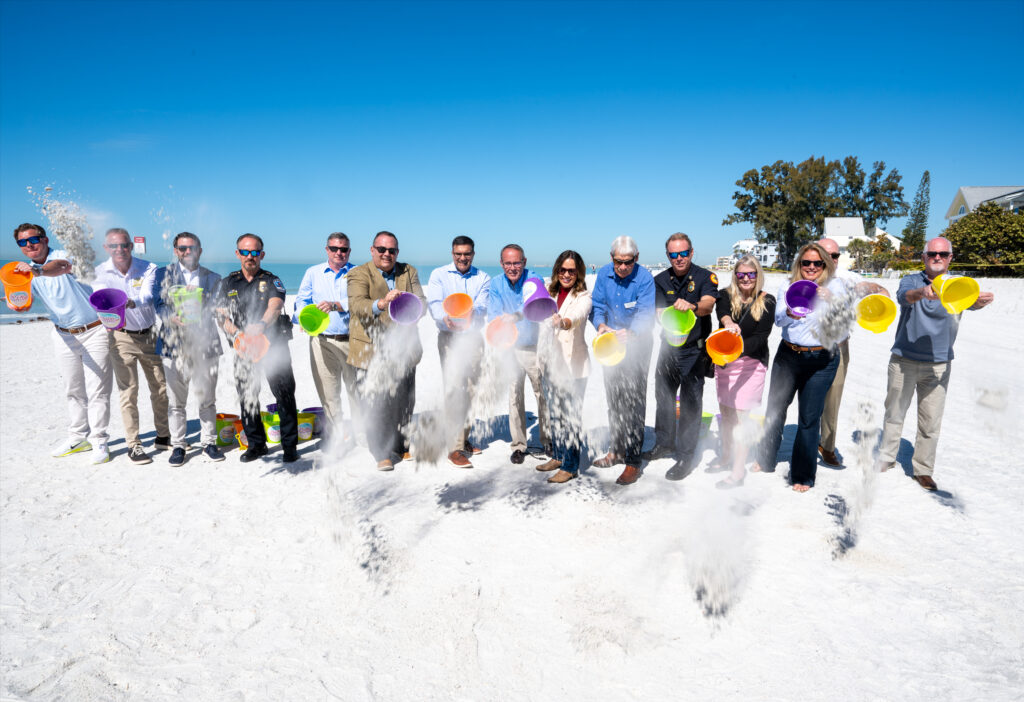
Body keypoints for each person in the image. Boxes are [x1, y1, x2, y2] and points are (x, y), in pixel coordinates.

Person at [876, 237, 994, 491]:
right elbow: (903, 297)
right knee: (894, 412)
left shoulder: (959, 284)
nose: (937, 258)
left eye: (942, 254)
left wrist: (980, 302)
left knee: (931, 420)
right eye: (932, 254)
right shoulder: (912, 280)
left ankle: (923, 470)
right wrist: (922, 293)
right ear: (924, 257)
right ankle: (887, 457)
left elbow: (971, 301)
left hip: (939, 363)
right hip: (904, 360)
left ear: (951, 258)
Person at [9, 223, 113, 463]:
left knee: (98, 390)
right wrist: (17, 301)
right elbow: (27, 299)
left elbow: (61, 268)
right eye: (22, 243)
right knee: (73, 390)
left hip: (94, 330)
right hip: (62, 334)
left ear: (45, 239)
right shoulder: (26, 271)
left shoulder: (62, 256)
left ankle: (100, 441)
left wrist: (36, 270)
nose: (29, 245)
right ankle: (78, 437)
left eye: (33, 239)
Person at [753, 242, 846, 492]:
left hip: (821, 359)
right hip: (789, 355)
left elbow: (846, 328)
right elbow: (778, 320)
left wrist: (832, 302)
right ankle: (765, 458)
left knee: (809, 418)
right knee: (775, 408)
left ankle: (803, 475)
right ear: (799, 264)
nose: (812, 267)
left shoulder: (836, 286)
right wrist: (791, 314)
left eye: (818, 263)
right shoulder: (788, 284)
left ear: (826, 264)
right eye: (807, 263)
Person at [216, 234, 299, 464]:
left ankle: (289, 445)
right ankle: (256, 444)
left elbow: (275, 306)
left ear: (262, 254)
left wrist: (261, 324)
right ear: (237, 254)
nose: (250, 256)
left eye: (254, 252)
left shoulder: (272, 280)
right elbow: (220, 314)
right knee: (248, 397)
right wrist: (237, 333)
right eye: (245, 252)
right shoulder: (228, 282)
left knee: (284, 395)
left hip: (273, 346)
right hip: (244, 348)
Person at [347, 231, 426, 471]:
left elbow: (420, 301)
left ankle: (401, 444)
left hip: (404, 349)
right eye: (381, 249)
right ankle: (381, 452)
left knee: (404, 400)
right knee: (377, 404)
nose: (386, 254)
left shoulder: (408, 271)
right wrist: (381, 303)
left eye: (391, 250)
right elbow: (357, 305)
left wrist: (411, 307)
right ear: (372, 250)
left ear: (397, 253)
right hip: (371, 350)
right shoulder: (358, 273)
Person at [92, 227, 170, 464]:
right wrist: (106, 314)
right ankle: (134, 445)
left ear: (131, 246)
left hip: (148, 334)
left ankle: (163, 435)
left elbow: (147, 295)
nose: (120, 250)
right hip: (120, 337)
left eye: (125, 245)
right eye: (114, 246)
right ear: (106, 248)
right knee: (129, 391)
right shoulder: (99, 272)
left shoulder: (148, 268)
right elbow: (98, 301)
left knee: (160, 387)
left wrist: (126, 303)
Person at [647, 233, 719, 480]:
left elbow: (709, 304)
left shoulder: (704, 276)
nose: (679, 258)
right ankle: (664, 443)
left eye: (683, 253)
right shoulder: (659, 280)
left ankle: (686, 456)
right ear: (668, 255)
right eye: (674, 254)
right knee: (663, 397)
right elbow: (657, 310)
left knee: (690, 402)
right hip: (668, 348)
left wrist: (693, 306)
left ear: (691, 252)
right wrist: (661, 315)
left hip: (693, 351)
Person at [816, 237, 889, 467]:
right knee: (808, 399)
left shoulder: (848, 278)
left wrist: (874, 289)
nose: (830, 260)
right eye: (824, 255)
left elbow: (880, 290)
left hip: (837, 347)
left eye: (835, 255)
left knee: (833, 399)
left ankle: (827, 446)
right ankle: (805, 442)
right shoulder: (807, 275)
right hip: (808, 347)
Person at [153, 232, 224, 466]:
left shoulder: (213, 278)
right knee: (176, 402)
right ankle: (178, 446)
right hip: (174, 347)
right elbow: (159, 304)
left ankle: (209, 443)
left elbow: (219, 308)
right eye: (182, 248)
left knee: (207, 399)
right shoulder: (163, 274)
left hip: (206, 347)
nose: (187, 252)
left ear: (200, 250)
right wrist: (171, 317)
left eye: (191, 248)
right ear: (176, 251)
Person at [590, 236, 655, 486]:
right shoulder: (604, 274)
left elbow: (645, 313)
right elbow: (597, 306)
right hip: (610, 344)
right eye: (618, 262)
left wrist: (633, 332)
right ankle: (615, 451)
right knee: (615, 398)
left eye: (628, 262)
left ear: (636, 258)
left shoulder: (645, 278)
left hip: (638, 345)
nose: (623, 267)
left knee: (634, 403)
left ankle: (633, 461)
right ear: (611, 258)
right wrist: (601, 324)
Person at [425, 235, 491, 468]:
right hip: (450, 338)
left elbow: (483, 305)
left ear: (473, 254)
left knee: (472, 391)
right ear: (452, 254)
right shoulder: (439, 275)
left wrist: (475, 313)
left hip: (473, 339)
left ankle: (462, 437)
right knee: (454, 390)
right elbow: (433, 303)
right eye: (458, 254)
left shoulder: (482, 277)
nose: (462, 258)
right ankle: (454, 448)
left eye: (467, 254)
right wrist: (444, 318)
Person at [712, 256, 775, 488]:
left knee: (741, 419)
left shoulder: (767, 301)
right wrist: (728, 323)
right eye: (741, 274)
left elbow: (761, 338)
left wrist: (737, 347)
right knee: (726, 415)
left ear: (758, 275)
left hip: (751, 365)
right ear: (735, 276)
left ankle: (738, 472)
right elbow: (722, 311)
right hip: (725, 363)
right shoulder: (726, 294)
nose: (746, 278)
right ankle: (726, 455)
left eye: (751, 274)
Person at [293, 232, 359, 443]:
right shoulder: (313, 273)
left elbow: (363, 301)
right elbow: (301, 301)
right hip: (321, 341)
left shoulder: (359, 273)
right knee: (329, 393)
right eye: (334, 248)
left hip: (354, 340)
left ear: (349, 251)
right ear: (327, 250)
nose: (339, 253)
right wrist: (302, 318)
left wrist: (336, 305)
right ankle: (337, 436)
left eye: (343, 249)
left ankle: (362, 434)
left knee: (358, 392)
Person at [487, 244, 549, 464]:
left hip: (533, 346)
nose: (512, 267)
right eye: (508, 263)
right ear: (502, 264)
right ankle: (519, 445)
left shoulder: (534, 279)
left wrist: (514, 315)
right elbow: (493, 314)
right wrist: (502, 322)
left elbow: (532, 305)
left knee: (542, 394)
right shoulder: (495, 284)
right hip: (509, 348)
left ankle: (547, 441)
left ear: (524, 262)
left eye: (516, 263)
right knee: (514, 397)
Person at [536, 250, 592, 484]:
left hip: (573, 368)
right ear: (557, 270)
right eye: (563, 270)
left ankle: (570, 466)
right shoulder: (548, 292)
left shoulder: (584, 296)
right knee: (555, 415)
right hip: (550, 364)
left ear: (578, 272)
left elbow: (577, 316)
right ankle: (558, 456)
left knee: (570, 418)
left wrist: (564, 322)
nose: (566, 274)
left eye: (571, 270)